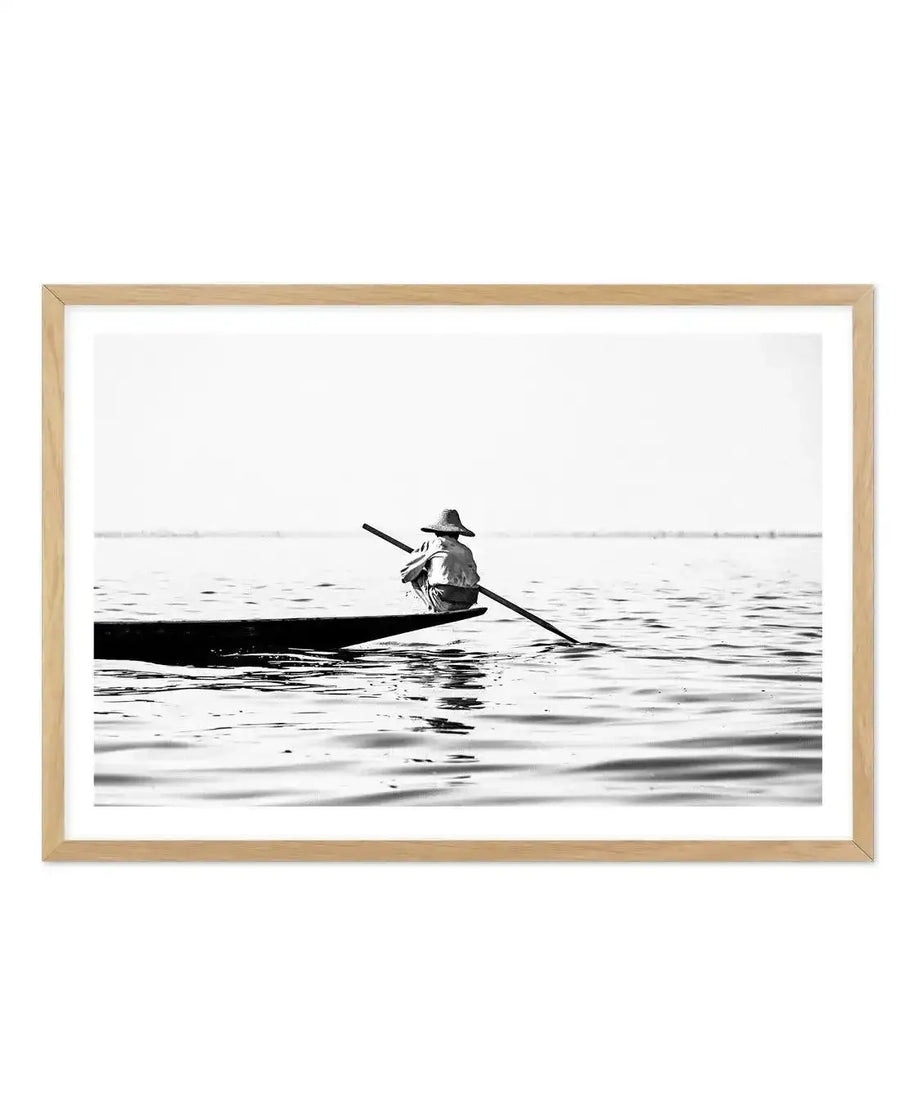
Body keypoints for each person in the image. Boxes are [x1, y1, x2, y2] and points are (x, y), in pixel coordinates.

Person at [400, 509, 480, 613]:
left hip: (443, 600)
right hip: (468, 601)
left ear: (437, 532)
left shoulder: (434, 544)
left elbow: (406, 574)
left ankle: (432, 608)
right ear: (458, 533)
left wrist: (424, 566)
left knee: (417, 575)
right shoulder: (466, 550)